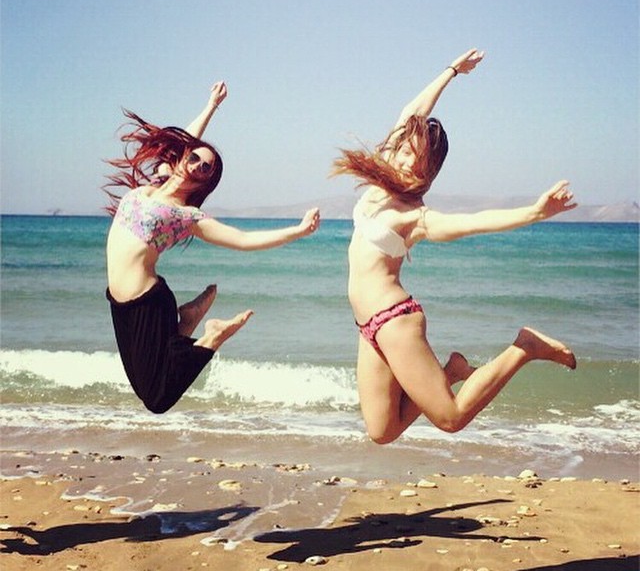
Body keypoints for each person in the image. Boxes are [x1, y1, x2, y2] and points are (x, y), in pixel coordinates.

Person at [331, 49, 577, 444]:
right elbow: (412, 112)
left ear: (428, 171)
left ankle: (525, 347)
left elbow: (473, 222)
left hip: (395, 321)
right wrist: (451, 72)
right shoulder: (381, 180)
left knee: (452, 417)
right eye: (407, 151)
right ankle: (452, 370)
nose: (408, 162)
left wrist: (535, 212)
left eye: (420, 161)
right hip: (368, 327)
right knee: (382, 431)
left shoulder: (414, 215)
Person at [104, 81, 320, 414]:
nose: (197, 165)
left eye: (206, 168)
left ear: (206, 181)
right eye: (194, 158)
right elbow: (187, 140)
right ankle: (189, 320)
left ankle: (213, 335)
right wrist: (211, 105)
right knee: (152, 384)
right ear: (181, 157)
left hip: (148, 302)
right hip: (120, 302)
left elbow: (243, 240)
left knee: (156, 399)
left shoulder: (186, 216)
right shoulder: (155, 183)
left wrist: (298, 231)